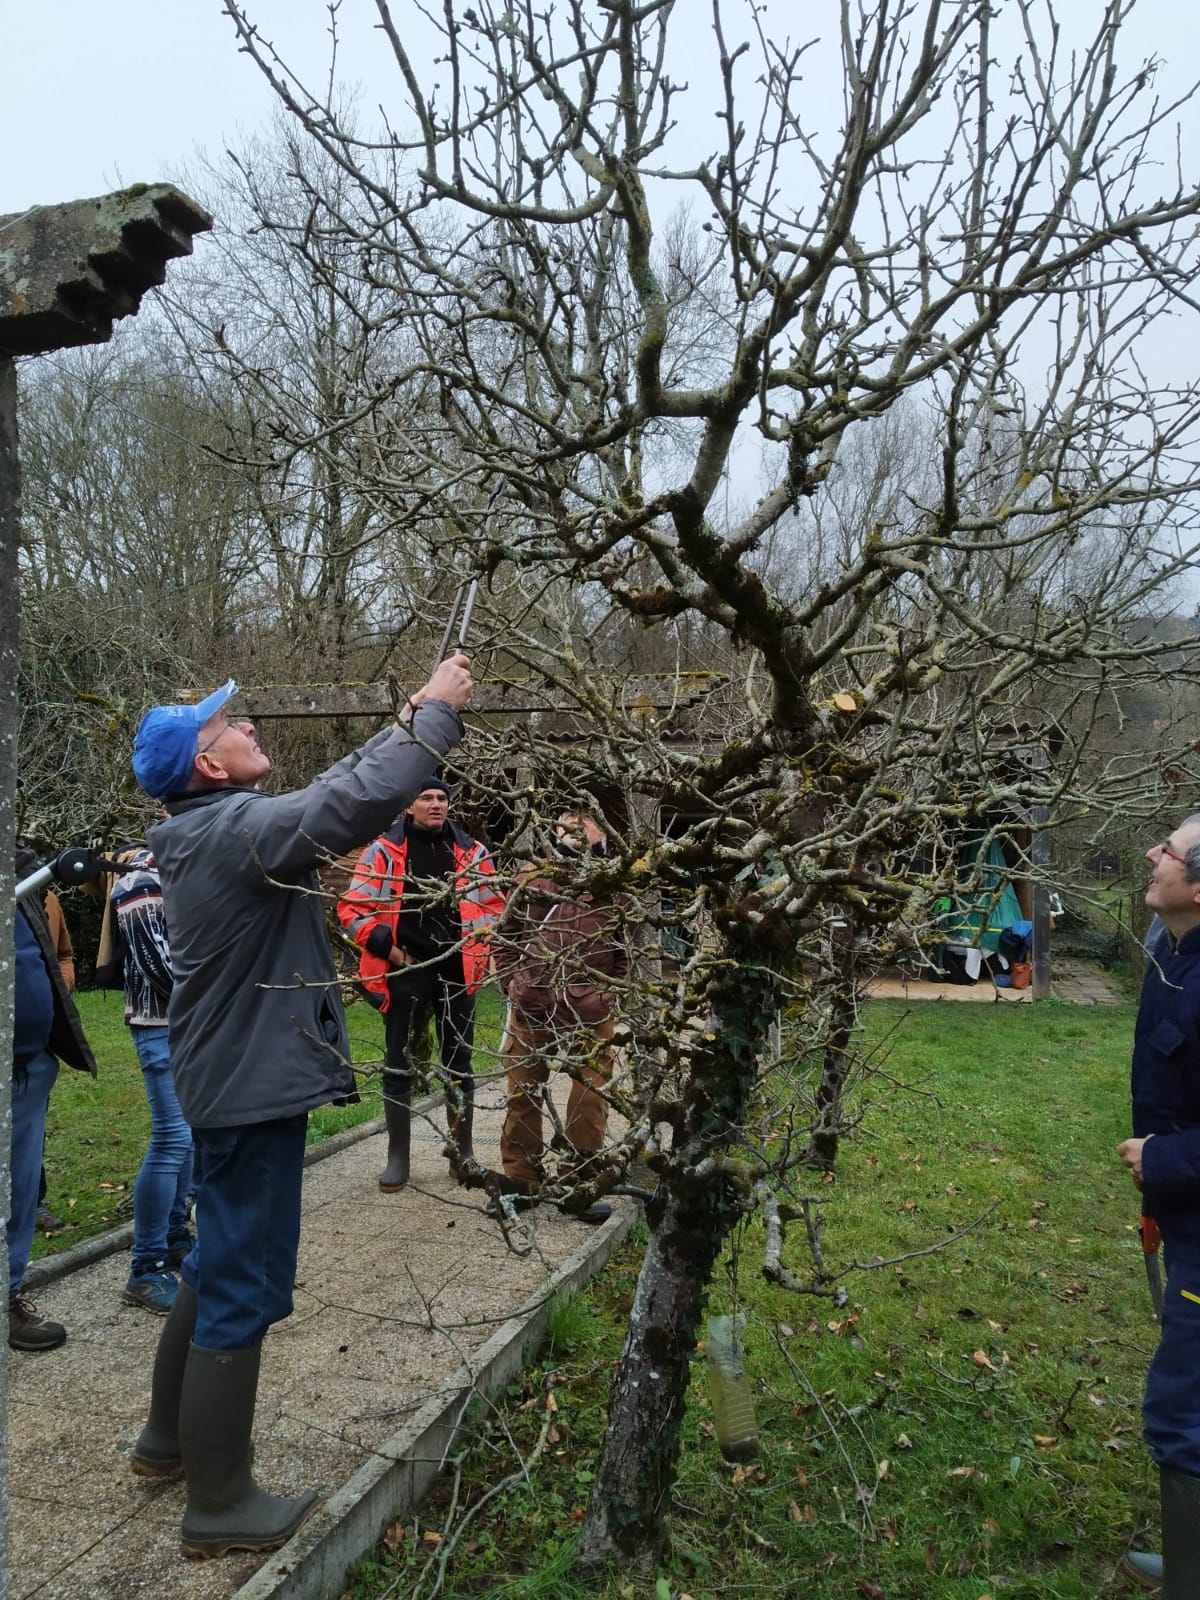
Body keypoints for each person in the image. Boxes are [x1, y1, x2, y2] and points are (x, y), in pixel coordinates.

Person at [125, 656, 472, 1560]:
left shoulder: (216, 828)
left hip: (228, 1082)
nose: (246, 728)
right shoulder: (236, 832)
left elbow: (330, 791)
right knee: (243, 1280)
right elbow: (343, 806)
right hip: (246, 1092)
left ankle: (167, 1444)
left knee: (212, 1261)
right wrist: (433, 717)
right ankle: (221, 1501)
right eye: (228, 728)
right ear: (209, 767)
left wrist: (406, 720)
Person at [337, 779, 503, 1190]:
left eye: (442, 798)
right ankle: (398, 1159)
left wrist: (478, 946)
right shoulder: (383, 852)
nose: (435, 804)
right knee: (399, 1064)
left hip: (457, 969)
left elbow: (495, 907)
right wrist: (391, 952)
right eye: (426, 798)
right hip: (405, 969)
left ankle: (463, 1155)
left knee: (459, 1063)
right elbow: (352, 909)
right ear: (409, 805)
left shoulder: (472, 853)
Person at [1119, 814, 1200, 1595]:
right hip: (1184, 1211)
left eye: (1169, 851)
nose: (1152, 853)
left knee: (1183, 1410)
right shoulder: (1172, 952)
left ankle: (1188, 1580)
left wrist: (1165, 1157)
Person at [493, 810, 625, 1226]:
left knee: (590, 1097)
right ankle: (521, 1179)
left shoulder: (614, 883)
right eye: (566, 823)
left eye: (583, 823)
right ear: (553, 831)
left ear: (599, 830)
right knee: (522, 1094)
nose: (574, 831)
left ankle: (579, 1182)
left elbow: (629, 943)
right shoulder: (532, 877)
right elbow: (506, 935)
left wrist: (609, 992)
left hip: (590, 1008)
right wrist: (513, 983)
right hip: (534, 1003)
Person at [10, 847, 97, 1352]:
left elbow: (45, 954)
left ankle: (9, 1293)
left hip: (30, 1064)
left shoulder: (22, 876)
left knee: (21, 1192)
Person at [103, 846, 195, 1315]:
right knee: (172, 1138)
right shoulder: (139, 883)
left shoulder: (181, 873)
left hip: (192, 1027)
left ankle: (176, 1236)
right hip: (159, 1026)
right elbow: (162, 968)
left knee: (190, 1136)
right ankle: (145, 1267)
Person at [35, 888, 74, 1235]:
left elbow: (64, 953)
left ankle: (34, 1201)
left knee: (32, 1125)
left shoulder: (44, 895)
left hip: (37, 1037)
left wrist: (57, 991)